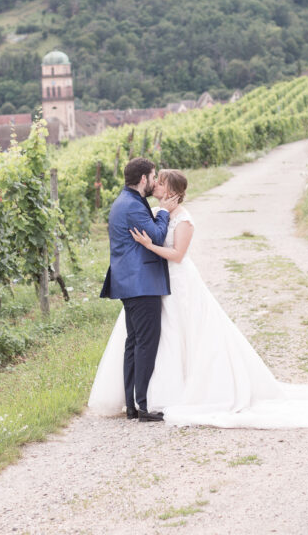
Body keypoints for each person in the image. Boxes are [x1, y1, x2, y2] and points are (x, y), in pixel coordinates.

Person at [89, 169, 308, 428]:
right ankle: (156, 394)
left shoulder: (183, 219)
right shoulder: (157, 212)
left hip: (180, 283)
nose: (155, 186)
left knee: (190, 336)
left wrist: (150, 245)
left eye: (161, 184)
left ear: (174, 192)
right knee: (164, 339)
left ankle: (183, 393)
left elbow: (178, 255)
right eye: (154, 182)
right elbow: (150, 232)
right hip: (158, 285)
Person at [98, 157, 179, 421]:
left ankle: (133, 404)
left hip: (131, 282)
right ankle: (142, 406)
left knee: (134, 343)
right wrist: (164, 212)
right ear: (143, 179)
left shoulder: (126, 201)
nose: (155, 181)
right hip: (141, 283)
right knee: (145, 343)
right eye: (153, 177)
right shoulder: (132, 206)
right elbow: (156, 236)